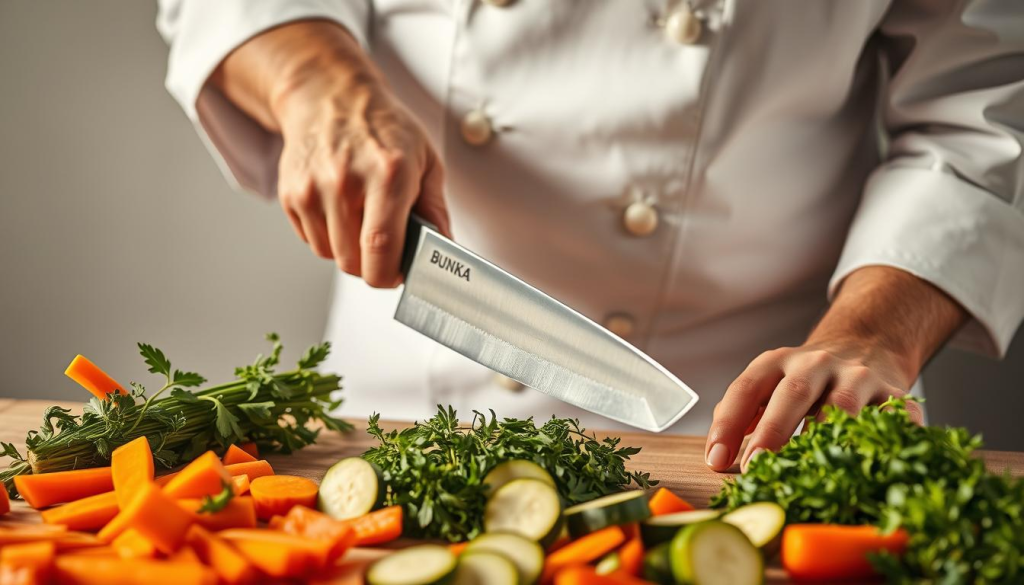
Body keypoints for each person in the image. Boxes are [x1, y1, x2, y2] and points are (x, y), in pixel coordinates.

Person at [156, 1, 1024, 472]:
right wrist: (313, 80)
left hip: (748, 422)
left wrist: (872, 333)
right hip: (396, 416)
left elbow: (987, 107)